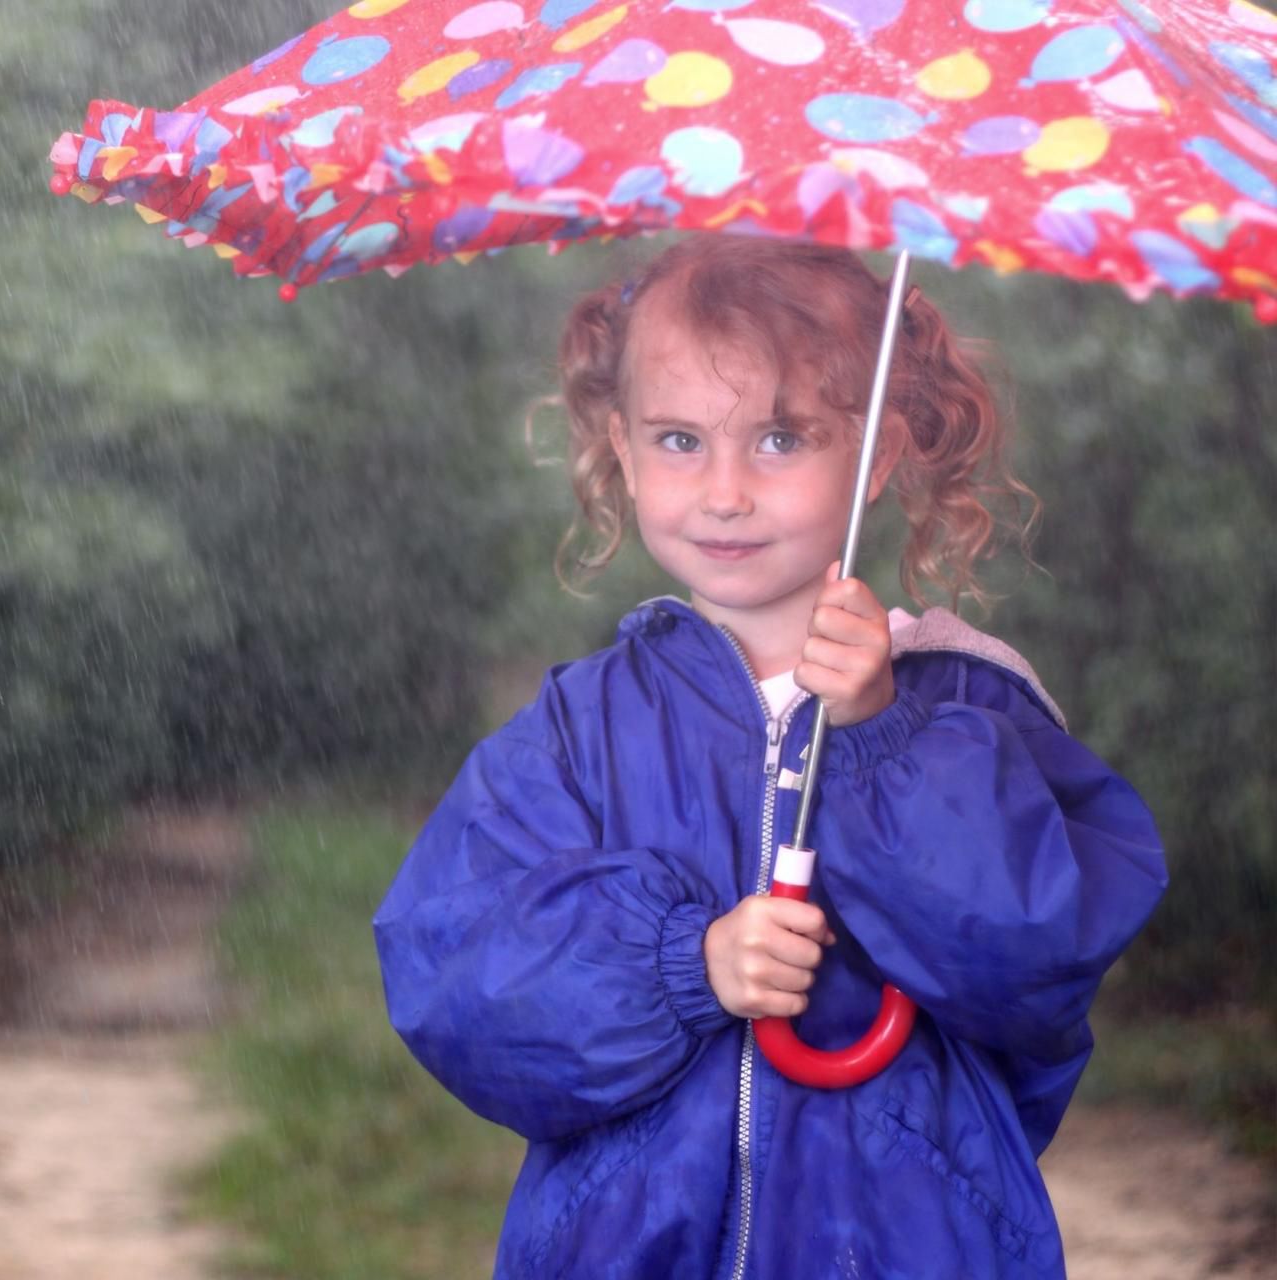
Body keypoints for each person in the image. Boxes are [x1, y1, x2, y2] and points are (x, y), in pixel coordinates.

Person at [371, 236, 1168, 1279]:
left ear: (876, 451)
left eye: (783, 438)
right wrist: (681, 965)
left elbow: (1040, 957)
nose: (726, 489)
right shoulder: (582, 730)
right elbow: (456, 979)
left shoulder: (972, 705)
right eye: (679, 438)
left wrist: (886, 741)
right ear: (619, 443)